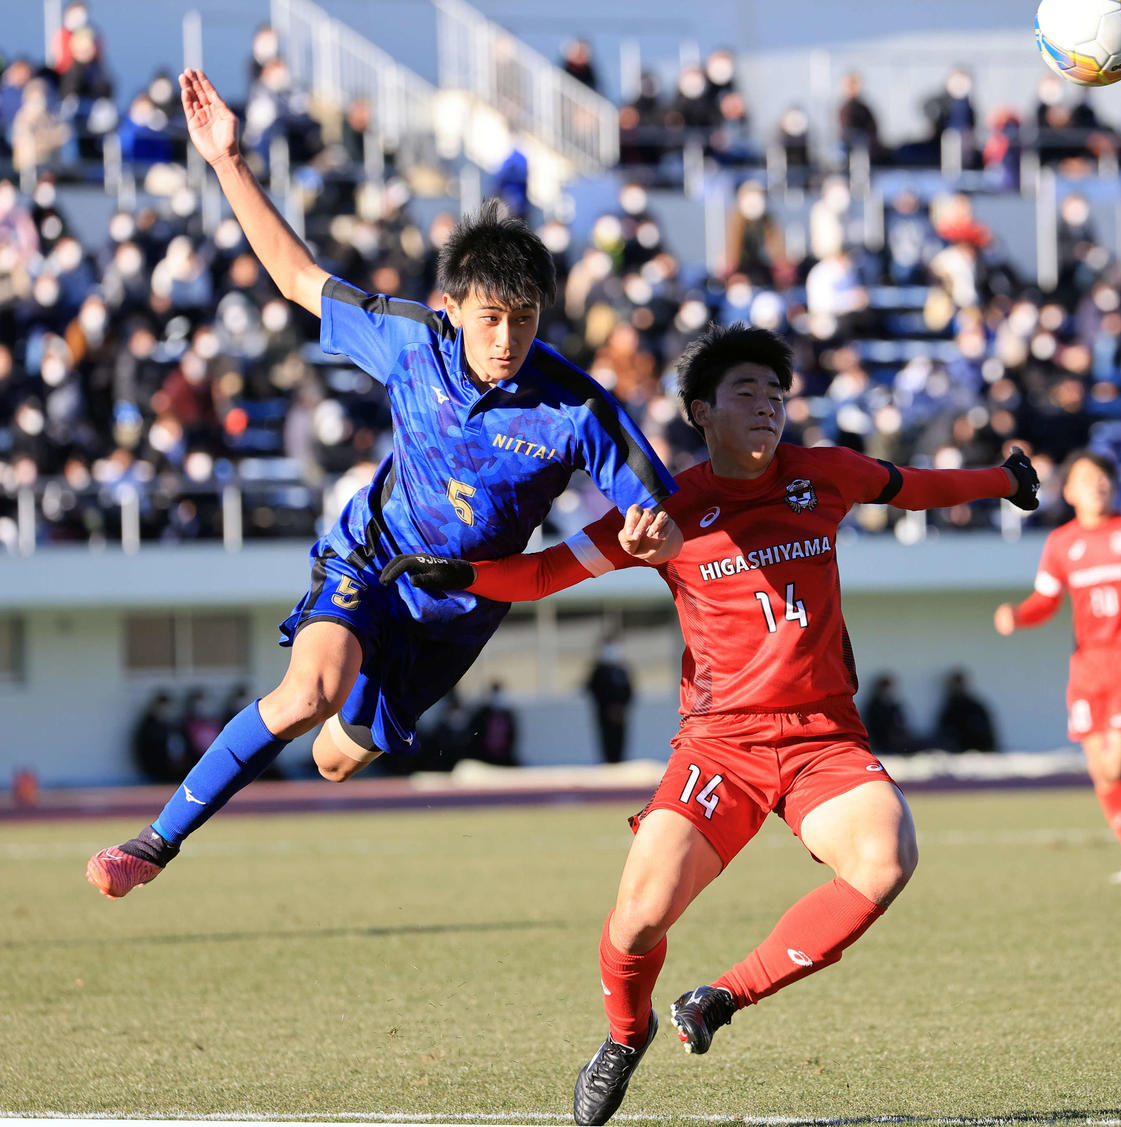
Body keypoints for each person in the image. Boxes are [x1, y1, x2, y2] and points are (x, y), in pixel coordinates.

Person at [381, 322, 1041, 1125]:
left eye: (777, 394)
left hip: (822, 737)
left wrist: (1004, 480)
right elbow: (551, 570)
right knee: (637, 919)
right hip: (720, 746)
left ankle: (720, 996)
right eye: (747, 392)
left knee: (885, 857)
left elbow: (913, 485)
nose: (768, 406)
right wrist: (465, 574)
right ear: (701, 410)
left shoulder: (824, 474)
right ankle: (626, 1035)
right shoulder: (664, 508)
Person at [84, 68, 679, 901]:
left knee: (336, 758)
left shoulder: (577, 407)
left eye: (524, 319)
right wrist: (226, 162)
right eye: (490, 317)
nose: (506, 338)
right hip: (373, 557)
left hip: (461, 608)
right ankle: (154, 842)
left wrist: (651, 534)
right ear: (453, 306)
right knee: (308, 691)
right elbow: (297, 277)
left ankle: (348, 693)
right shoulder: (411, 342)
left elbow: (664, 516)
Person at [993, 450, 1121, 884]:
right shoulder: (1061, 543)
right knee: (1100, 768)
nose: (1097, 485)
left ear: (1114, 485)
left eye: (1103, 477)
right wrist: (1018, 615)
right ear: (1068, 492)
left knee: (1116, 764)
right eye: (1086, 478)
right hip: (1087, 664)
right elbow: (1046, 601)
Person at [586, 637, 635, 764]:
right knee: (606, 740)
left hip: (620, 714)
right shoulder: (598, 671)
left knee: (620, 740)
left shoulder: (622, 670)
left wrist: (620, 708)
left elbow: (629, 691)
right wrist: (608, 708)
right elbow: (593, 690)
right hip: (604, 714)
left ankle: (619, 762)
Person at [934, 668, 997, 753]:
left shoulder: (975, 706)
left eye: (958, 684)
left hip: (978, 750)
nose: (957, 687)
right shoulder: (949, 708)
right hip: (957, 751)